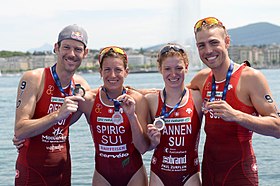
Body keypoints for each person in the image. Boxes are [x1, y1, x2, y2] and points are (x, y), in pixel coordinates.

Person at [189, 17, 280, 186]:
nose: (208, 50)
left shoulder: (250, 77)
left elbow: (278, 127)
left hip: (240, 173)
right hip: (209, 171)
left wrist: (237, 115)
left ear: (227, 41)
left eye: (213, 42)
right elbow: (173, 97)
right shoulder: (201, 79)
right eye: (202, 45)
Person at [14, 24, 90, 185]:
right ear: (56, 48)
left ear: (85, 53)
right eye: (66, 47)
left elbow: (108, 97)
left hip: (62, 171)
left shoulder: (82, 86)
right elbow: (20, 130)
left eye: (77, 49)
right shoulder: (34, 78)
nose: (71, 54)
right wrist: (56, 115)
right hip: (32, 171)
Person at [77, 46, 157, 186]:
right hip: (102, 175)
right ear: (100, 72)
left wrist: (132, 116)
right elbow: (62, 121)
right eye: (107, 69)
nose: (112, 75)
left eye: (118, 70)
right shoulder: (89, 100)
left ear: (126, 72)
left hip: (134, 175)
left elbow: (143, 148)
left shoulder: (138, 100)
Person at [145, 43, 203, 186]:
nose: (173, 74)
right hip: (159, 173)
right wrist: (153, 141)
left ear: (187, 68)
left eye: (178, 68)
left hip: (190, 174)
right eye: (167, 69)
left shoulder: (198, 98)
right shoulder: (151, 100)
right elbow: (146, 146)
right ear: (160, 69)